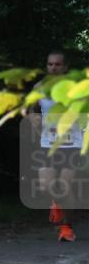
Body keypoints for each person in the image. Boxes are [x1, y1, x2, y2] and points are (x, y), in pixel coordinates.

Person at [29, 50, 86, 241]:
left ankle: (66, 226)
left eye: (57, 64)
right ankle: (57, 204)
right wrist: (33, 119)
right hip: (48, 144)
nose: (53, 67)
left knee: (63, 187)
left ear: (65, 67)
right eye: (50, 64)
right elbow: (33, 109)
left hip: (72, 144)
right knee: (47, 186)